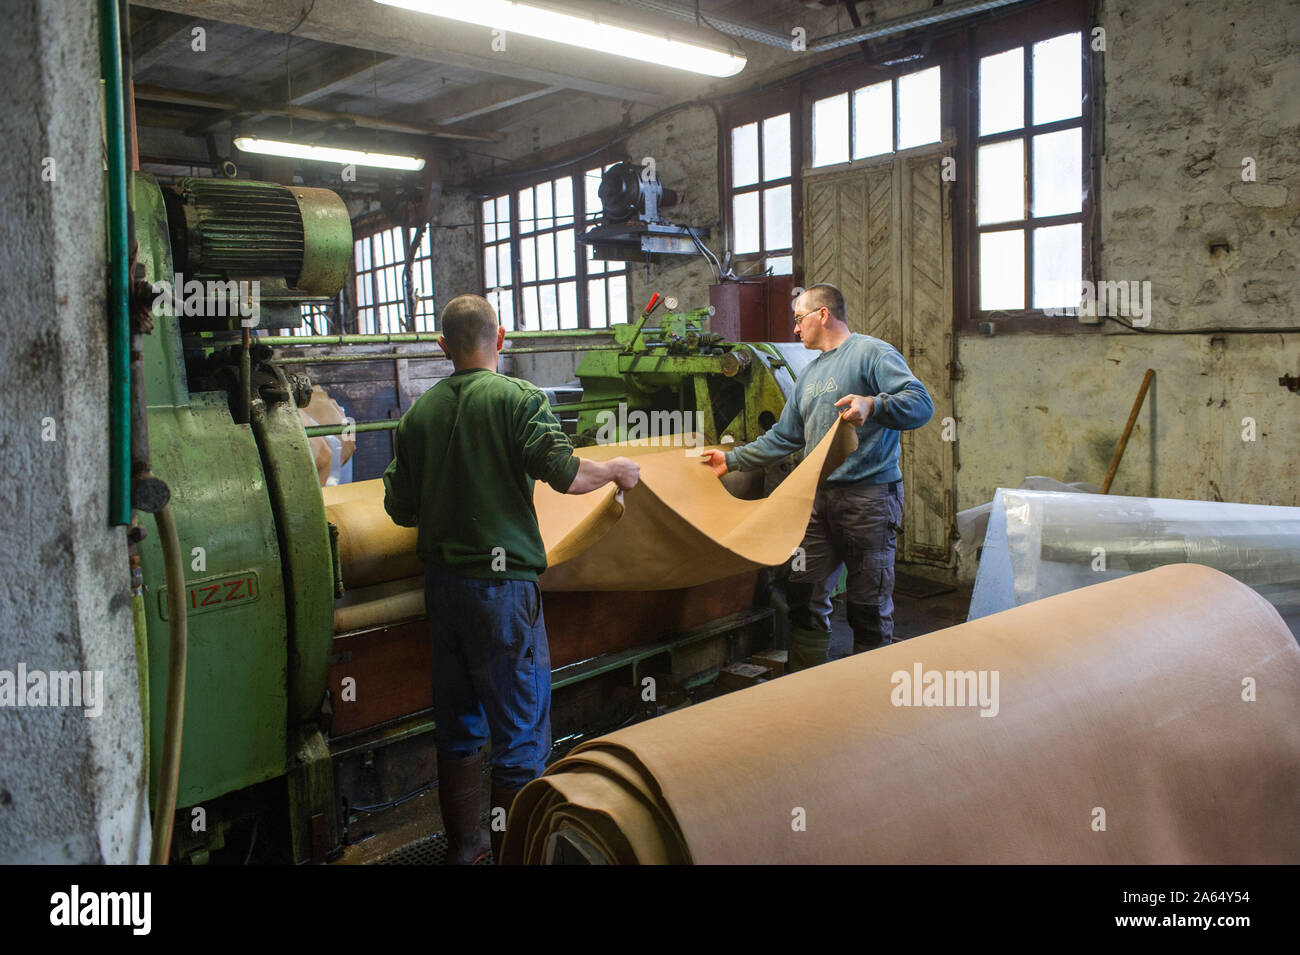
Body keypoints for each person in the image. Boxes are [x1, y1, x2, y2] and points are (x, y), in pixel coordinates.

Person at [383, 293, 640, 864]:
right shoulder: (517, 399)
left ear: (442, 347)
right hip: (501, 595)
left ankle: (465, 849)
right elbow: (567, 476)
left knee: (458, 726)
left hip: (443, 590)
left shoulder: (418, 415)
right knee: (520, 735)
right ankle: (514, 856)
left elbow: (399, 509)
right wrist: (616, 470)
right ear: (500, 340)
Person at [701, 283, 933, 670]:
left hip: (869, 499)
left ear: (822, 315)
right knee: (804, 591)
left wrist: (872, 404)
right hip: (817, 501)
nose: (794, 330)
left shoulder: (871, 353)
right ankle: (805, 684)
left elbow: (921, 404)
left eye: (798, 319)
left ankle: (868, 689)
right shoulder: (809, 375)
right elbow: (785, 436)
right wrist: (734, 460)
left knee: (868, 602)